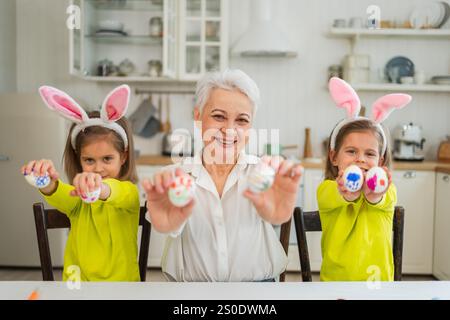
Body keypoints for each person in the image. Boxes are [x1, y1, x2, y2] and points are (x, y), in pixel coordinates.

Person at [142, 69, 303, 282]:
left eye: (242, 120)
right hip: (190, 296)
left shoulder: (264, 177)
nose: (229, 130)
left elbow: (275, 213)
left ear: (250, 126)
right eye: (219, 116)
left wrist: (276, 217)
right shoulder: (172, 179)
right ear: (198, 117)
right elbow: (165, 221)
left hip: (258, 293)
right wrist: (166, 224)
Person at [21, 85, 140, 281]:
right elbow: (57, 191)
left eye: (107, 159)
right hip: (77, 288)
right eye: (89, 160)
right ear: (79, 159)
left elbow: (112, 191)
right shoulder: (78, 200)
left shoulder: (129, 193)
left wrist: (98, 188)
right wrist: (43, 179)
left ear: (124, 156)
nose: (98, 169)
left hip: (122, 288)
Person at [318, 77, 412, 281]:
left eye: (369, 154)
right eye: (351, 151)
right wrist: (348, 193)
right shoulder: (326, 189)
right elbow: (341, 196)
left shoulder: (388, 190)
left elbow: (380, 200)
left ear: (380, 160)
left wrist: (374, 195)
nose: (360, 159)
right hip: (335, 283)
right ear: (334, 157)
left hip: (379, 286)